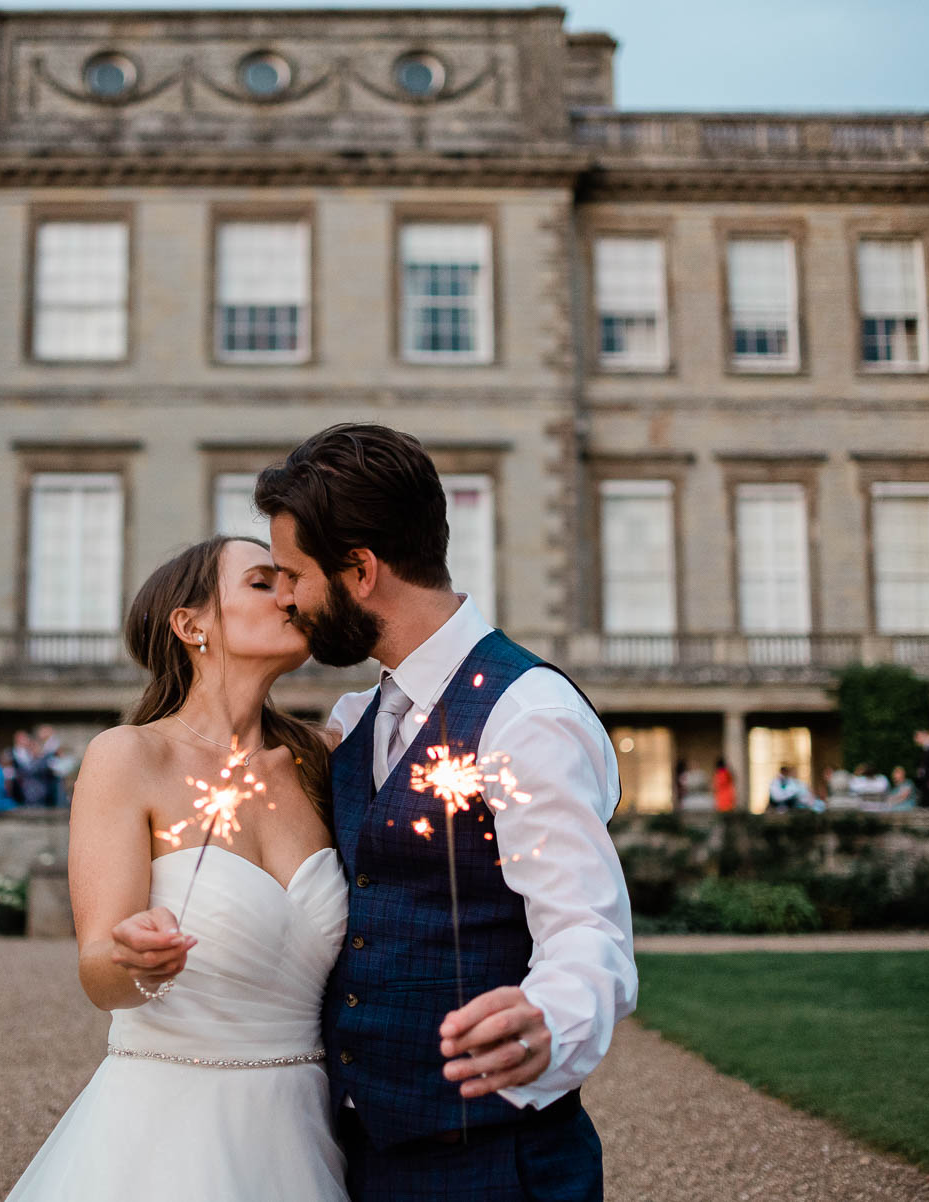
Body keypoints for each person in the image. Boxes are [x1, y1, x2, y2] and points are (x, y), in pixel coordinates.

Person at [259, 424, 633, 1199]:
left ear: (360, 570)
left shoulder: (525, 713)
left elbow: (588, 929)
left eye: (294, 574)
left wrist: (549, 1020)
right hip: (360, 1156)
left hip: (494, 1167)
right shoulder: (358, 713)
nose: (288, 597)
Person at [4, 534, 343, 1201]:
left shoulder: (323, 761)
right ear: (191, 625)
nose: (292, 594)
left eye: (291, 580)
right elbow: (100, 971)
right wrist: (136, 961)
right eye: (261, 582)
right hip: (163, 1128)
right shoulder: (129, 757)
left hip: (307, 1123)